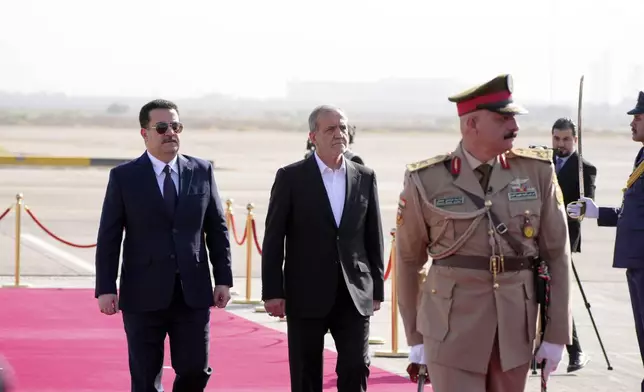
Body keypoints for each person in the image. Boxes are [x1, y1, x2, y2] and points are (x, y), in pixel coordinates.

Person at [395, 74, 573, 392]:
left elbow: (557, 254)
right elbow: (408, 261)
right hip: (450, 332)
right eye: (503, 118)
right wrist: (414, 336)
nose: (515, 127)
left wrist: (556, 335)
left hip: (514, 331)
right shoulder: (427, 180)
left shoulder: (537, 172)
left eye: (514, 118)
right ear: (471, 124)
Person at [94, 99, 233, 392]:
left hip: (192, 293)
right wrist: (106, 287)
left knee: (195, 369)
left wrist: (223, 279)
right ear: (145, 133)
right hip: (142, 292)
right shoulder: (124, 177)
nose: (170, 133)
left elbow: (217, 228)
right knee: (145, 377)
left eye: (175, 126)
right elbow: (109, 235)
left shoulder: (201, 170)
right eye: (162, 127)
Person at [261, 104, 385, 392]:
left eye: (342, 127)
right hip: (306, 292)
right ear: (312, 136)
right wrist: (273, 292)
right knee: (306, 373)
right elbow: (273, 237)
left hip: (354, 292)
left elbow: (373, 237)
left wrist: (376, 289)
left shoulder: (364, 177)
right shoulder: (291, 177)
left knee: (356, 366)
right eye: (330, 129)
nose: (339, 133)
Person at [567, 90, 644, 391]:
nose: (632, 122)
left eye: (638, 117)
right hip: (636, 261)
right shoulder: (642, 156)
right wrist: (597, 212)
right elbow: (634, 211)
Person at [551, 117, 597, 372]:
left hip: (565, 240)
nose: (561, 144)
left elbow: (587, 205)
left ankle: (575, 352)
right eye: (557, 138)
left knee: (559, 297)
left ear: (575, 140)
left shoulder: (584, 168)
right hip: (537, 238)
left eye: (566, 139)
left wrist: (576, 209)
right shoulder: (543, 162)